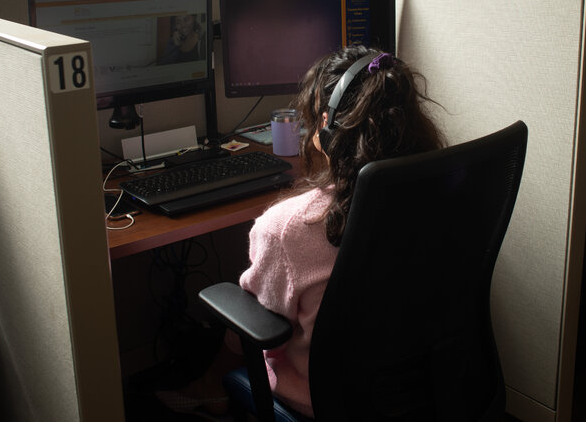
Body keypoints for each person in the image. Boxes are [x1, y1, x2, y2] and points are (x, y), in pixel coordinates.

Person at [157, 45, 445, 417]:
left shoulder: (290, 227)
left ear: (326, 126)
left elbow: (261, 316)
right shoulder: (442, 191)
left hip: (325, 397)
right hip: (425, 385)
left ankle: (210, 388)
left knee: (246, 317)